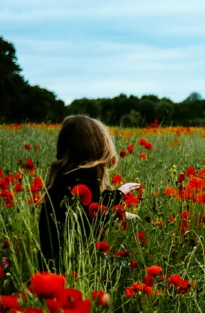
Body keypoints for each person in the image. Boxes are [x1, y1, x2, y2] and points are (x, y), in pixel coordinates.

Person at [38, 115, 140, 271]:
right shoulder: (87, 174)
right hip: (75, 263)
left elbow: (85, 210)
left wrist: (121, 211)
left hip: (50, 262)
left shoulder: (61, 173)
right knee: (130, 269)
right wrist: (119, 194)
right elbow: (92, 219)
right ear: (94, 145)